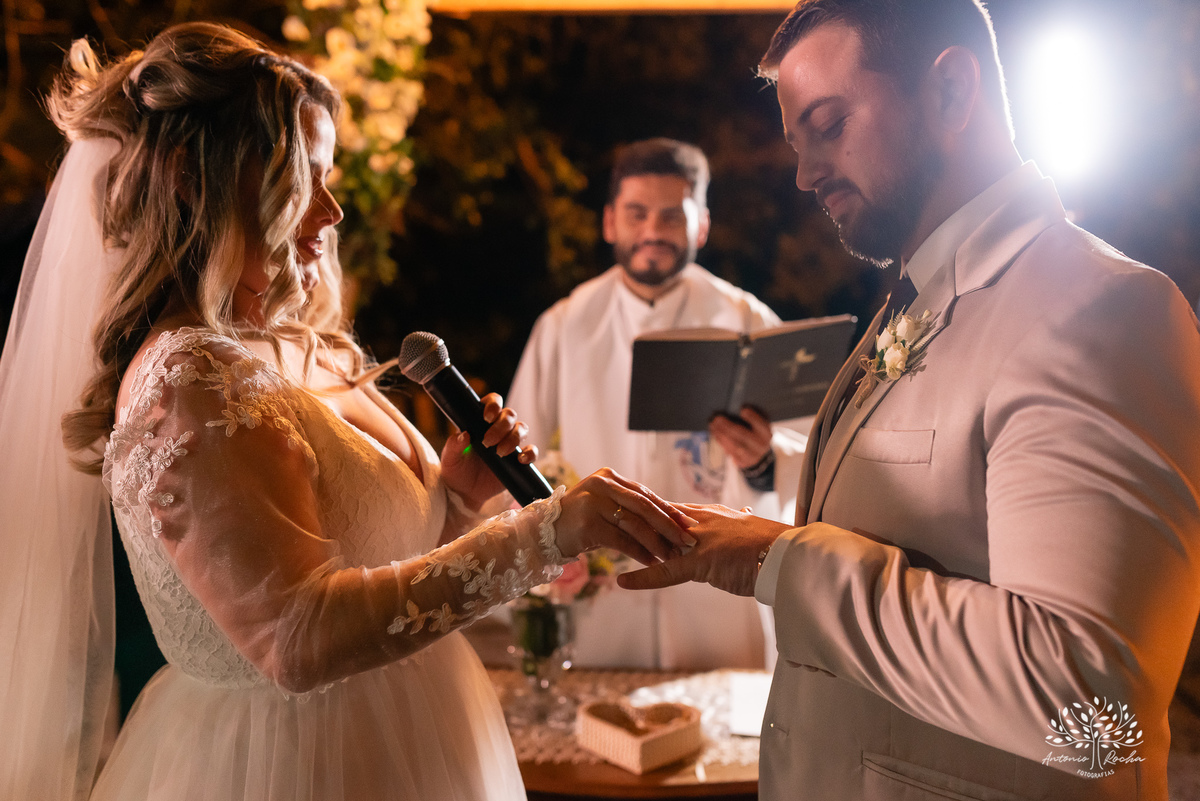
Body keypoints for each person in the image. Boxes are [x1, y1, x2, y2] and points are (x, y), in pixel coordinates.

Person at [0, 23, 695, 801]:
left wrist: (460, 497)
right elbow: (295, 636)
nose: (331, 212)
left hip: (417, 739)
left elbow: (388, 563)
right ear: (200, 179)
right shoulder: (185, 380)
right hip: (282, 765)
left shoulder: (311, 348)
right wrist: (547, 533)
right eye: (304, 178)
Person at [618, 1, 1200, 799]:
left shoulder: (1097, 307)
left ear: (952, 91)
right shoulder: (909, 306)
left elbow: (1094, 716)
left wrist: (774, 562)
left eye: (828, 124)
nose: (804, 172)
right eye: (796, 142)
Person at [508, 138, 807, 670]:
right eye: (637, 214)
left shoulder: (746, 321)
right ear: (609, 222)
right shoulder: (564, 326)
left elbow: (807, 450)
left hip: (718, 593)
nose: (652, 232)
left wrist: (765, 460)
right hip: (604, 595)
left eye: (672, 217)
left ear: (702, 227)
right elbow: (515, 459)